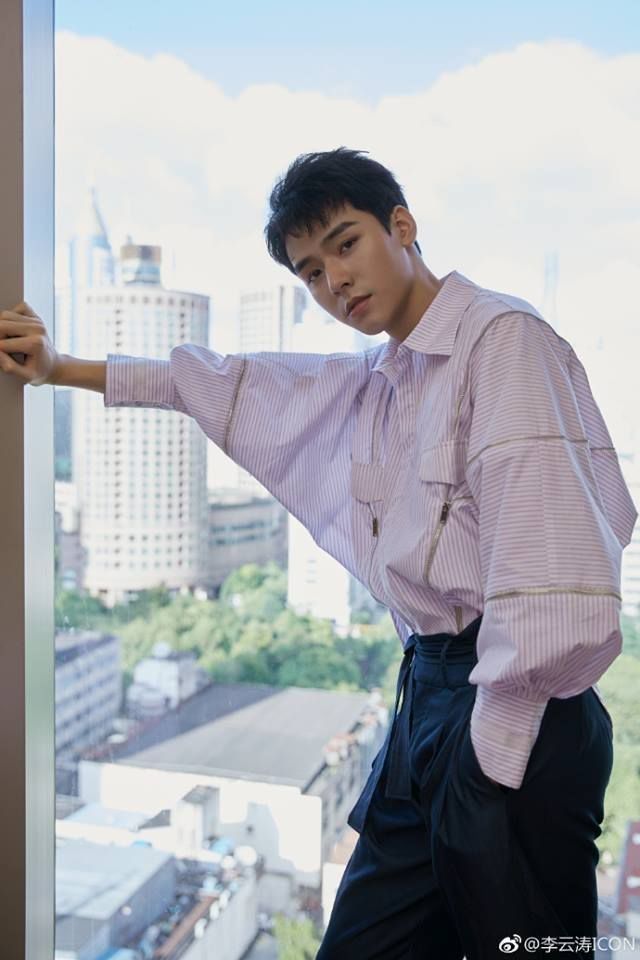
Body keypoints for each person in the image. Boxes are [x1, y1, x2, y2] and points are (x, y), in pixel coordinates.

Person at [1, 148, 636, 959]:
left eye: (346, 244)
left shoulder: (503, 340)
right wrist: (59, 369)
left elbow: (549, 562)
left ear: (401, 226)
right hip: (429, 704)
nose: (334, 280)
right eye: (310, 271)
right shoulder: (380, 379)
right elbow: (230, 385)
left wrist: (488, 759)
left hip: (517, 715)